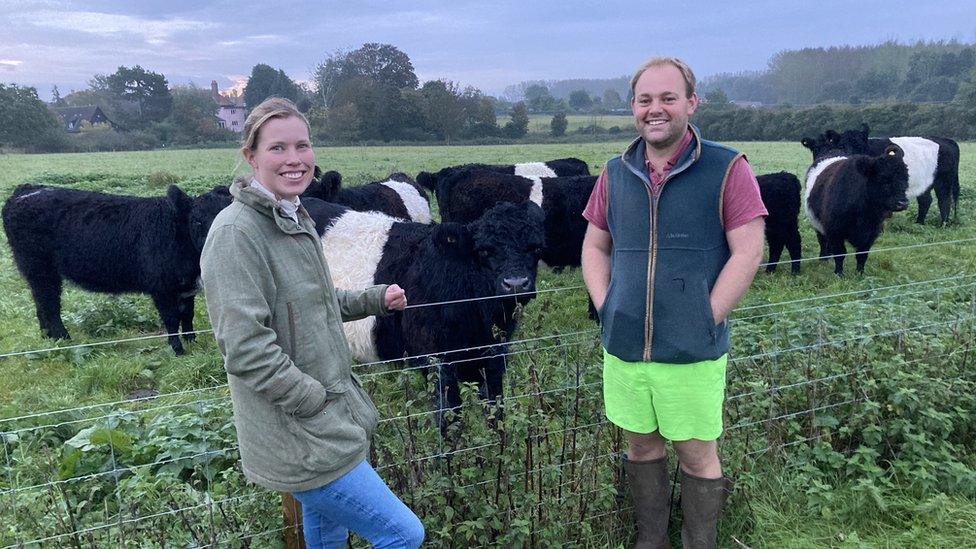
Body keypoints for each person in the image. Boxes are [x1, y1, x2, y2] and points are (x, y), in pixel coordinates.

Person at [200, 97, 424, 549]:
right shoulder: (236, 234)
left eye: (302, 145)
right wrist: (311, 399)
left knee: (325, 531)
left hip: (321, 418)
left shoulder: (292, 215)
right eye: (277, 148)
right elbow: (245, 348)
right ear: (251, 156)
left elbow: (313, 300)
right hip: (300, 428)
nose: (294, 159)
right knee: (402, 534)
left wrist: (374, 298)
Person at [581, 57, 767, 548]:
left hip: (691, 349)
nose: (655, 109)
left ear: (690, 102)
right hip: (624, 347)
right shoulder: (615, 172)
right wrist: (607, 305)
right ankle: (651, 541)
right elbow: (595, 244)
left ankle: (698, 543)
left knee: (695, 452)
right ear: (633, 108)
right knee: (640, 445)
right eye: (645, 100)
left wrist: (707, 316)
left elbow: (748, 250)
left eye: (667, 98)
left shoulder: (727, 167)